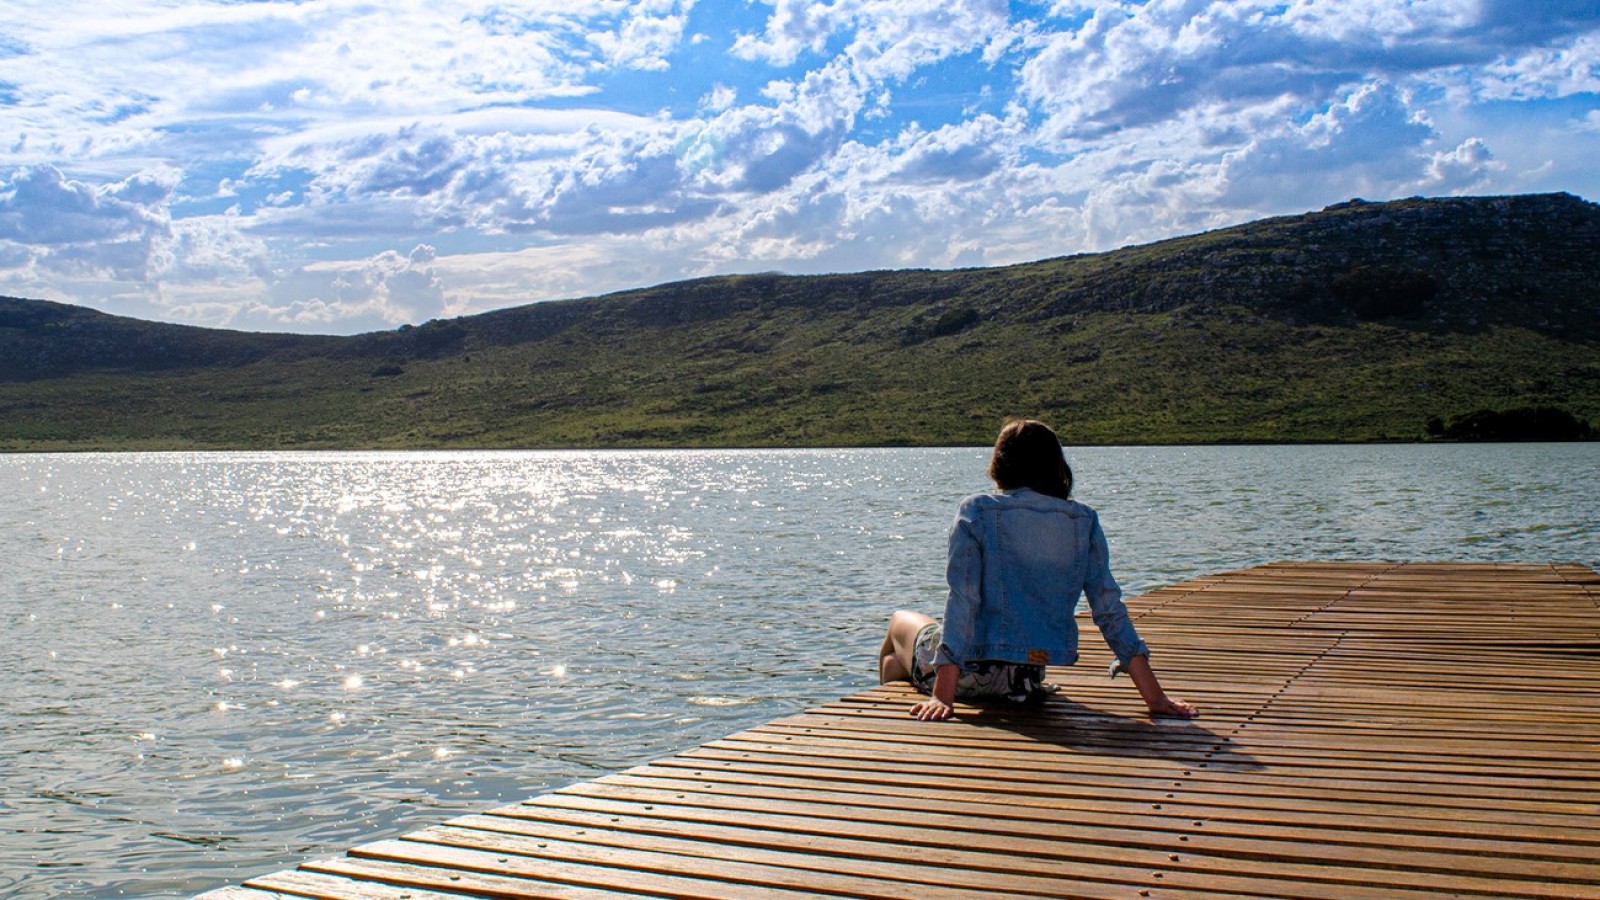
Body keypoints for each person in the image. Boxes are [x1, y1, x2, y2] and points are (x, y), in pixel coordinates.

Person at [879, 419, 1197, 722]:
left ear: (1000, 465)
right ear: (1056, 467)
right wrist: (1156, 698)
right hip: (1025, 680)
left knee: (897, 626)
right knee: (897, 664)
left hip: (969, 676)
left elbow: (964, 602)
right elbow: (1109, 612)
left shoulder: (977, 511)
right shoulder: (1083, 521)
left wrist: (943, 697)